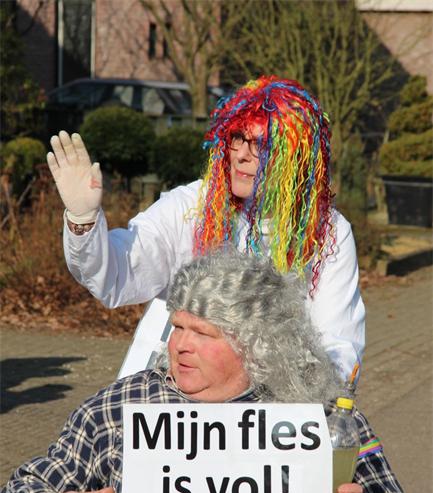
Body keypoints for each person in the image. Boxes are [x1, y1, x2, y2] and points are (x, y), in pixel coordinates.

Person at [0, 252, 421, 493]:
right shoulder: (120, 407)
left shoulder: (324, 420)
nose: (181, 345)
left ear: (257, 345)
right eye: (178, 327)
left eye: (203, 333)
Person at [47, 76, 365, 380]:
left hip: (271, 405)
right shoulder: (190, 208)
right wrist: (83, 219)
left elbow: (337, 344)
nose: (241, 155)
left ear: (295, 158)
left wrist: (314, 397)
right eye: (237, 138)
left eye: (260, 145)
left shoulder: (327, 233)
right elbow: (117, 274)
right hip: (169, 395)